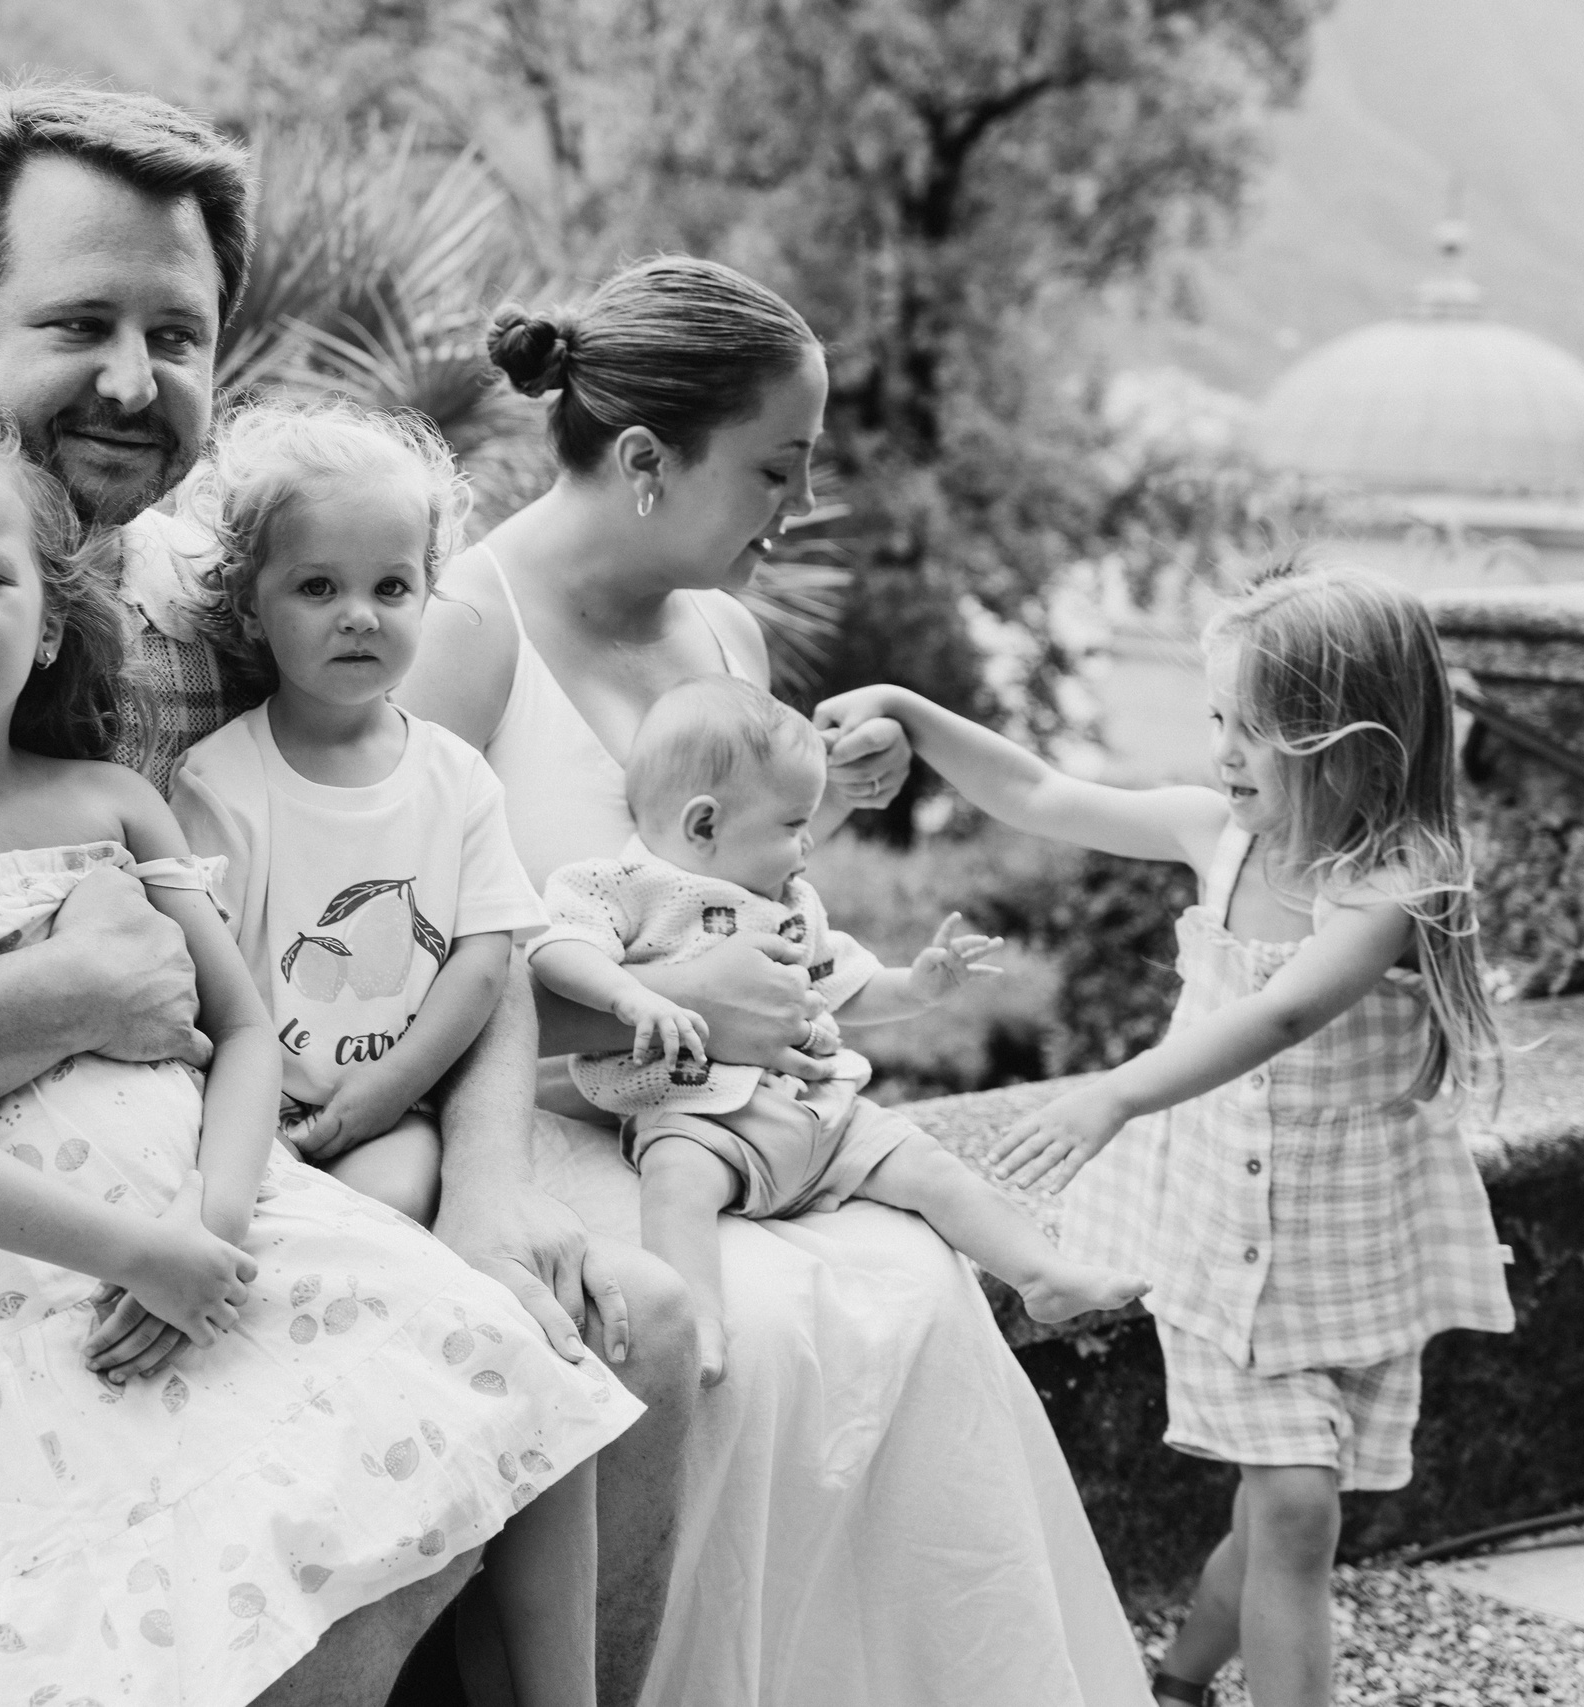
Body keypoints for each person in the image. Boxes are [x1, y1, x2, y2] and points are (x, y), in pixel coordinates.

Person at [0, 80, 696, 1707]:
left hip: (187, 1187)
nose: (130, 377)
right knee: (343, 1516)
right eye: (77, 320)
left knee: (603, 1339)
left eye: (175, 333)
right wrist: (59, 995)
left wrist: (488, 1189)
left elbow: (458, 893)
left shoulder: (211, 610)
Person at [398, 255, 1150, 1707]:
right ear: (639, 460)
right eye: (772, 473)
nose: (790, 514)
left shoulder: (723, 630)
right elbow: (405, 968)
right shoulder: (467, 633)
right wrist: (666, 996)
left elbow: (734, 869)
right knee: (772, 1332)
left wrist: (831, 810)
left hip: (736, 1113)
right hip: (542, 1118)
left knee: (914, 1285)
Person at [818, 562, 1517, 1707]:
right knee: (1296, 1505)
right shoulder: (1216, 837)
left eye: (1257, 730)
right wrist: (907, 704)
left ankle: (1178, 1679)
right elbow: (1043, 791)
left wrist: (1116, 1091)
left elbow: (1282, 1010)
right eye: (1217, 720)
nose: (1224, 752)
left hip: (1348, 1247)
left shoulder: (1402, 882)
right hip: (1219, 1231)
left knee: (1289, 1507)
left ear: (1353, 741)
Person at [526, 676, 1149, 1387]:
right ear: (704, 825)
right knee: (675, 1181)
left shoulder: (792, 904)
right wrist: (629, 995)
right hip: (701, 1118)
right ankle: (696, 1321)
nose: (810, 841)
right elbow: (557, 950)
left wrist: (919, 984)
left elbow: (847, 984)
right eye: (793, 824)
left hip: (822, 1114)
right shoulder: (625, 885)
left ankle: (1040, 1271)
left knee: (930, 1165)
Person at [170, 400, 546, 1230]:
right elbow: (203, 976)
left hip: (397, 1104)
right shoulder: (220, 781)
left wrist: (392, 1087)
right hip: (239, 1112)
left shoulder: (458, 777)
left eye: (391, 586)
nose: (360, 614)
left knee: (393, 1194)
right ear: (249, 606)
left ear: (427, 592)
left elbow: (484, 960)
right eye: (317, 586)